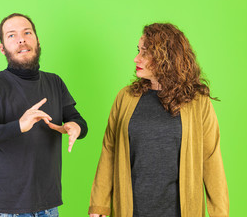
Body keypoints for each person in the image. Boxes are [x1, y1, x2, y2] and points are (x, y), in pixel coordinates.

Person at [0, 13, 88, 217]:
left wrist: (75, 127)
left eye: (27, 32)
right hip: (6, 211)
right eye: (11, 35)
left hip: (49, 207)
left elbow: (78, 121)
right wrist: (18, 126)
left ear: (37, 40)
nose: (21, 39)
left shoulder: (55, 82)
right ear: (2, 48)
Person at [88, 23, 229, 217]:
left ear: (166, 57)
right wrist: (99, 204)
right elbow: (109, 150)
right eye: (138, 51)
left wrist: (220, 213)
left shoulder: (198, 103)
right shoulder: (125, 97)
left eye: (145, 53)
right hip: (131, 211)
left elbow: (211, 160)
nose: (136, 58)